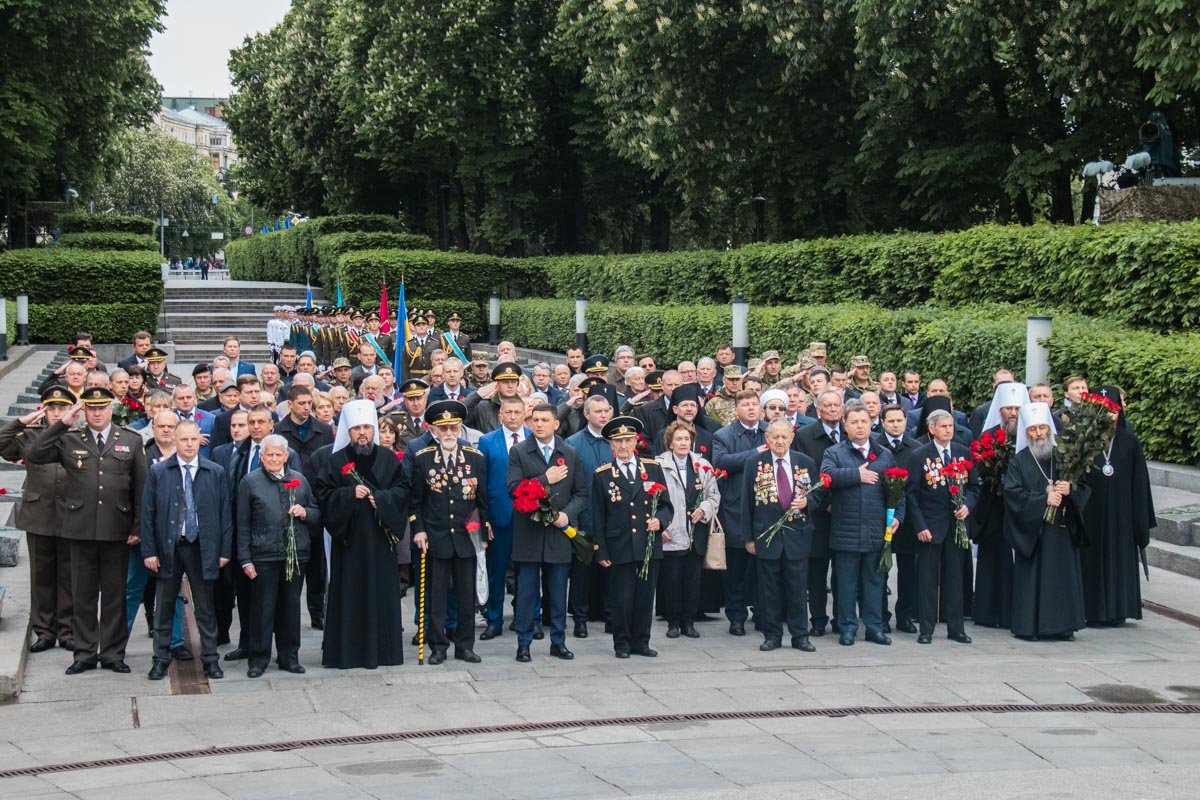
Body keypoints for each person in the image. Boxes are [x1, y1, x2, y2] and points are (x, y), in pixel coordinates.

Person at [27, 388, 148, 675]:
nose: (96, 413)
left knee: (114, 596)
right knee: (82, 596)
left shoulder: (129, 440)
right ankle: (84, 652)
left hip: (117, 530)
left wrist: (138, 525)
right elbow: (35, 453)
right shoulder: (70, 439)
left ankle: (112, 653)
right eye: (91, 408)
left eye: (102, 408)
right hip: (79, 529)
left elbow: (141, 487)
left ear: (111, 409)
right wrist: (63, 422)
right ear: (85, 411)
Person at [313, 400, 409, 668]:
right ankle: (347, 653)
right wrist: (347, 494)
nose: (363, 433)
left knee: (381, 593)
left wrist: (382, 498)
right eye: (357, 428)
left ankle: (384, 652)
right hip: (350, 543)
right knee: (349, 594)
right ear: (348, 431)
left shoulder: (389, 458)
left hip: (380, 540)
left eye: (367, 427)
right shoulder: (335, 461)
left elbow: (403, 491)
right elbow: (322, 495)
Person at [140, 420, 231, 681]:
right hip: (169, 545)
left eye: (193, 439)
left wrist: (224, 550)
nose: (189, 445)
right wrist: (149, 551)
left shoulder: (215, 472)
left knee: (205, 607)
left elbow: (225, 513)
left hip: (201, 547)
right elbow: (148, 514)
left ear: (199, 441)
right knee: (164, 605)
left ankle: (211, 660)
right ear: (175, 442)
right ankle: (160, 659)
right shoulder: (160, 472)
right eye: (184, 440)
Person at [506, 403, 588, 663]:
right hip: (529, 532)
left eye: (544, 420)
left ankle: (558, 641)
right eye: (535, 420)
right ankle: (524, 643)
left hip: (558, 533)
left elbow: (581, 493)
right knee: (527, 592)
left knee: (557, 591)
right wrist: (545, 479)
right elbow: (513, 489)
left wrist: (567, 514)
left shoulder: (570, 452)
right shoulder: (519, 451)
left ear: (556, 424)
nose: (539, 424)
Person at [410, 400, 489, 664]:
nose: (448, 434)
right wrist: (419, 530)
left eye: (453, 428)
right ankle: (438, 646)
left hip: (467, 538)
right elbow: (415, 501)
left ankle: (465, 646)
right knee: (437, 595)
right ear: (433, 430)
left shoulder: (475, 458)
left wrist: (484, 534)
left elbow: (482, 500)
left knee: (467, 596)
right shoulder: (423, 460)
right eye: (442, 429)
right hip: (436, 537)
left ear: (460, 428)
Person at [821, 399, 903, 647]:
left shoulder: (884, 454)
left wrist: (898, 516)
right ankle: (847, 627)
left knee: (875, 583)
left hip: (875, 530)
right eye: (854, 422)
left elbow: (899, 489)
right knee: (845, 584)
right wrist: (856, 475)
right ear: (845, 425)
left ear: (872, 424)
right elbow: (826, 476)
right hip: (845, 530)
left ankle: (874, 627)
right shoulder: (834, 452)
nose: (859, 426)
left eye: (864, 422)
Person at [237, 435, 321, 677]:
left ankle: (289, 657)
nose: (273, 459)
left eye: (278, 455)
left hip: (295, 554)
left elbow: (316, 513)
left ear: (286, 456)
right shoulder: (250, 482)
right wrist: (245, 559)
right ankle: (258, 659)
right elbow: (242, 523)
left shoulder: (299, 479)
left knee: (290, 608)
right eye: (269, 455)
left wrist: (305, 512)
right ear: (261, 457)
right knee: (262, 609)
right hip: (263, 555)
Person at [1005, 402, 1089, 641]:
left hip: (1061, 530)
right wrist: (1043, 500)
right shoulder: (1019, 461)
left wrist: (1070, 489)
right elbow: (1013, 494)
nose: (1039, 433)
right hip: (1035, 533)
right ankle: (1029, 627)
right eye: (1033, 429)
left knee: (1062, 578)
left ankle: (1063, 626)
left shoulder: (1064, 457)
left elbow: (1084, 487)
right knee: (1034, 578)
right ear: (1026, 432)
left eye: (1043, 427)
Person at [593, 416, 673, 658]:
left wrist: (660, 521)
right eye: (618, 442)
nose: (624, 446)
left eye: (628, 441)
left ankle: (641, 641)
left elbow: (667, 506)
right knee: (622, 598)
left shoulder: (652, 468)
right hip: (620, 545)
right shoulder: (603, 475)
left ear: (636, 442)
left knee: (645, 596)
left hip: (648, 546)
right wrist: (601, 550)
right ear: (611, 446)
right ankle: (622, 643)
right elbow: (598, 516)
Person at [0, 389, 74, 653]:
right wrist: (21, 422)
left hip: (70, 515)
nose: (56, 412)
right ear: (44, 410)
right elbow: (1, 444)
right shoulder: (29, 436)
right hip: (39, 514)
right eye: (51, 408)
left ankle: (67, 629)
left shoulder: (77, 437)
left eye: (61, 408)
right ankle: (44, 631)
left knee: (69, 576)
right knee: (41, 576)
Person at [1079, 386, 1155, 627]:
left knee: (1119, 558)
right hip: (1090, 515)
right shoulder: (1081, 441)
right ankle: (1090, 609)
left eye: (1112, 411)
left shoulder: (1129, 442)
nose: (1108, 416)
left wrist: (1140, 522)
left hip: (1122, 517)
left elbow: (1140, 484)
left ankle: (1119, 609)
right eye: (1101, 411)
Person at [741, 418, 817, 652]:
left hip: (797, 536)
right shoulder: (754, 463)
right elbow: (747, 501)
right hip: (766, 536)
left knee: (797, 589)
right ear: (767, 438)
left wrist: (807, 501)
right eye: (775, 437)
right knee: (769, 590)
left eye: (784, 437)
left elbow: (820, 496)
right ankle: (772, 635)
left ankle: (800, 636)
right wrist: (749, 538)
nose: (780, 441)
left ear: (792, 438)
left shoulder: (805, 463)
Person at [906, 409, 979, 645]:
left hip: (957, 526)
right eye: (944, 426)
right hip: (930, 527)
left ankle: (956, 628)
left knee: (955, 578)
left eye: (951, 426)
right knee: (927, 580)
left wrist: (967, 506)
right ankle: (926, 629)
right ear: (932, 429)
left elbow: (975, 487)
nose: (949, 430)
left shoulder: (962, 453)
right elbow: (912, 495)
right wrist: (920, 526)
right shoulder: (919, 455)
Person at [273, 384, 335, 629]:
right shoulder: (279, 430)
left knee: (318, 566)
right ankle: (289, 615)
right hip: (289, 501)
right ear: (290, 404)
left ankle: (317, 612)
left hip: (316, 500)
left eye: (310, 403)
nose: (307, 408)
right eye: (301, 403)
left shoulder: (323, 429)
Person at [970, 382, 1028, 629]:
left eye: (1017, 408)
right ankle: (992, 612)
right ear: (999, 410)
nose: (1013, 413)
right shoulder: (988, 437)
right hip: (996, 508)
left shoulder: (1034, 434)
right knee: (996, 559)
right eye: (1008, 408)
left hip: (1024, 509)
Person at [712, 389, 768, 636]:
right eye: (745, 405)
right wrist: (755, 454)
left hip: (766, 507)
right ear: (736, 410)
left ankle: (762, 612)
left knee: (763, 567)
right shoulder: (723, 435)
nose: (751, 408)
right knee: (736, 567)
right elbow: (722, 461)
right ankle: (736, 616)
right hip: (736, 508)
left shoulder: (770, 432)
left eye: (755, 404)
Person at [656, 421, 719, 640]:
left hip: (696, 531)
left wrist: (704, 509)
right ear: (670, 443)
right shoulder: (659, 464)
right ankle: (673, 622)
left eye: (686, 439)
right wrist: (660, 524)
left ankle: (689, 622)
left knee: (693, 580)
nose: (683, 443)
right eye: (678, 439)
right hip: (671, 531)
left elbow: (714, 495)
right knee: (672, 580)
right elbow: (652, 498)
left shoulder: (702, 464)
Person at [477, 395, 530, 640]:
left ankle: (528, 617)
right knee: (496, 570)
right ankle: (494, 619)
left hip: (531, 516)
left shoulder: (533, 437)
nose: (512, 417)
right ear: (500, 414)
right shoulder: (487, 441)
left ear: (524, 413)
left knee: (527, 571)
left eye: (517, 412)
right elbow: (482, 481)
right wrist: (484, 518)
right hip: (499, 517)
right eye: (508, 412)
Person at [564, 394, 614, 638]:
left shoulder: (618, 441)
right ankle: (580, 620)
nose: (603, 415)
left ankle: (610, 616)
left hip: (613, 518)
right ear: (586, 414)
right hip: (584, 516)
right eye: (598, 411)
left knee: (611, 569)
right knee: (582, 572)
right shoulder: (572, 444)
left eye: (606, 410)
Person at [794, 389, 844, 635]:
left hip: (847, 514)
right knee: (817, 570)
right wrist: (824, 504)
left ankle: (842, 619)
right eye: (828, 406)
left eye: (837, 405)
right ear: (818, 409)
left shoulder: (850, 433)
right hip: (818, 514)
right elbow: (804, 477)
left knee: (843, 570)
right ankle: (818, 619)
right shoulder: (804, 436)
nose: (833, 409)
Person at [875, 403, 920, 633]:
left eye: (899, 421)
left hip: (908, 518)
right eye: (890, 421)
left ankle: (905, 615)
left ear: (905, 422)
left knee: (908, 570)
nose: (895, 424)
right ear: (882, 422)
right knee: (881, 569)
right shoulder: (875, 446)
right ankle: (881, 616)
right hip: (879, 516)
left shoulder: (916, 448)